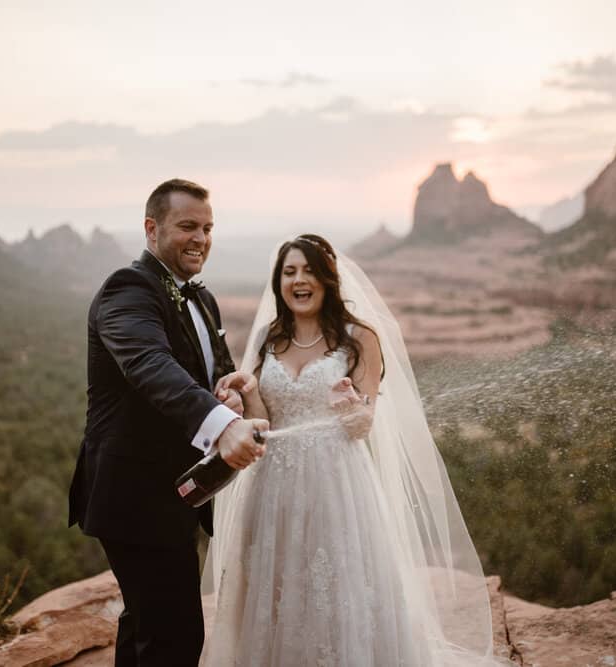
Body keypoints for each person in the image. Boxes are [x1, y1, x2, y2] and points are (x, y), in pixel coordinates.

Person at [203, 234, 509, 666]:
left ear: (328, 278)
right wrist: (246, 389)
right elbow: (265, 422)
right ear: (278, 282)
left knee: (338, 589)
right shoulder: (271, 340)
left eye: (309, 270)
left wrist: (350, 406)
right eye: (289, 272)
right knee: (278, 592)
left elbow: (363, 424)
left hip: (336, 484)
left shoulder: (359, 338)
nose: (299, 280)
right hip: (275, 488)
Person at [68, 178, 269, 667]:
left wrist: (230, 389)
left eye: (207, 227)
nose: (200, 238)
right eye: (187, 226)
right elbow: (150, 365)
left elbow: (211, 369)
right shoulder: (127, 289)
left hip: (175, 492)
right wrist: (222, 427)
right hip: (134, 493)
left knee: (147, 625)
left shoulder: (201, 298)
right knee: (175, 636)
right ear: (151, 228)